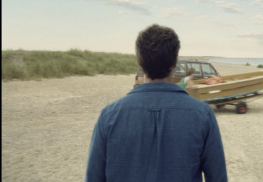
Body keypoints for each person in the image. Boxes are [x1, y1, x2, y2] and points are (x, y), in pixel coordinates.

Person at [85, 24, 228, 182]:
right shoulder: (203, 115)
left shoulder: (109, 116)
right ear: (174, 63)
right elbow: (218, 177)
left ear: (140, 61)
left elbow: (93, 177)